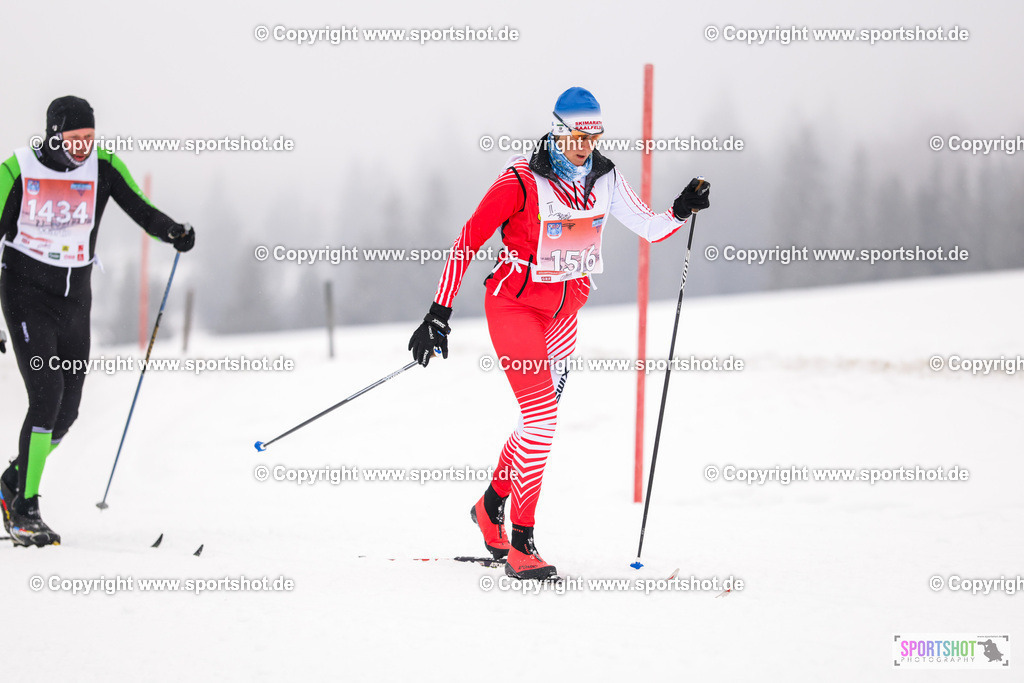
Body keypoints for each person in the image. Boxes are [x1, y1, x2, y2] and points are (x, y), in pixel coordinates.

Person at [408, 87, 710, 579]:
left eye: (593, 136)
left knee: (536, 424)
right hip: (514, 306)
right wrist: (438, 312)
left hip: (564, 315)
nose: (584, 146)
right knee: (543, 419)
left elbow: (650, 229)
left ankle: (490, 506)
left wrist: (680, 209)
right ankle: (522, 543)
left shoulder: (605, 178)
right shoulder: (520, 182)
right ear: (556, 130)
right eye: (575, 136)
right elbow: (467, 241)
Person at [0, 96, 195, 547]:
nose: (85, 147)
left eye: (90, 138)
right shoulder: (19, 169)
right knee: (46, 397)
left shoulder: (103, 167)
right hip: (26, 294)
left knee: (66, 412)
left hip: (75, 300)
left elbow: (141, 210)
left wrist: (173, 232)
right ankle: (25, 511)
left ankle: (11, 482)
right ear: (53, 135)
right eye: (75, 139)